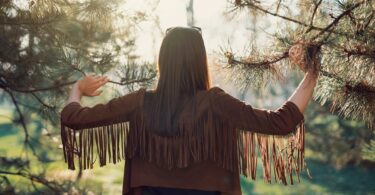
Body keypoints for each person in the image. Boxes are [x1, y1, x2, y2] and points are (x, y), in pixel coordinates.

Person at [60, 27, 318, 195]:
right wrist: (311, 73)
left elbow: (72, 118)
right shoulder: (215, 103)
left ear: (163, 61)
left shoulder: (140, 102)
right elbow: (280, 122)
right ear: (199, 61)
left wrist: (78, 89)